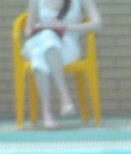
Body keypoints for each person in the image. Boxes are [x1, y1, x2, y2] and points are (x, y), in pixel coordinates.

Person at [20, 0, 102, 130]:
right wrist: (40, 27)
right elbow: (28, 30)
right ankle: (65, 98)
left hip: (67, 45)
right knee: (46, 38)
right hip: (40, 41)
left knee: (38, 55)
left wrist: (66, 27)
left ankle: (47, 113)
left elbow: (98, 25)